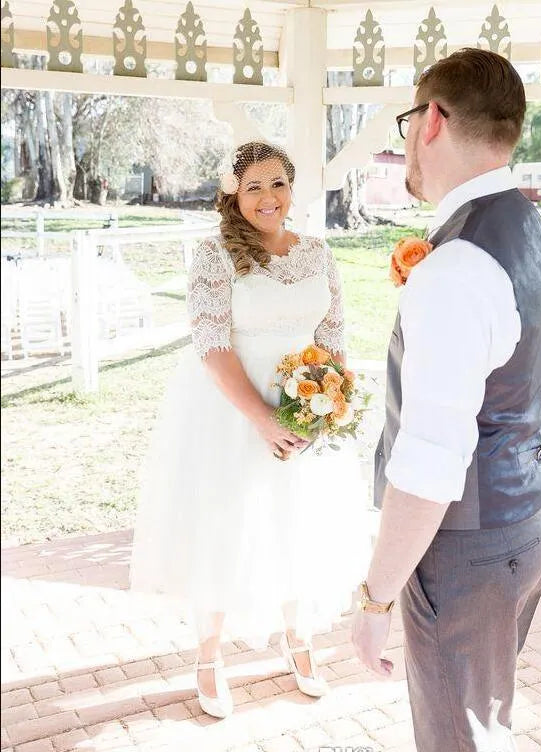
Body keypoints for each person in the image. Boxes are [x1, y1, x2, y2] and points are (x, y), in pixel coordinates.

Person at [351, 49, 541, 751]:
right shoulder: (529, 228)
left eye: (409, 119)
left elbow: (429, 461)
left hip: (467, 547)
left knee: (457, 738)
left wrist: (374, 597)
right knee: (482, 720)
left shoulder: (453, 269)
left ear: (433, 121)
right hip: (526, 515)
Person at [130, 141, 370, 719]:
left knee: (298, 519)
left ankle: (299, 638)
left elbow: (332, 335)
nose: (268, 197)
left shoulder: (318, 252)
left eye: (278, 184)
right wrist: (262, 420)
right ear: (234, 193)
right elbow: (211, 344)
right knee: (227, 522)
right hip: (231, 411)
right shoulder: (215, 255)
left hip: (305, 405)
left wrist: (326, 406)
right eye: (254, 186)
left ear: (293, 190)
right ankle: (209, 655)